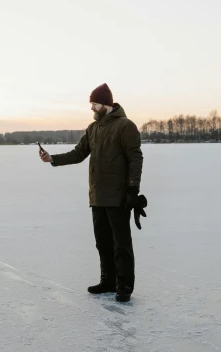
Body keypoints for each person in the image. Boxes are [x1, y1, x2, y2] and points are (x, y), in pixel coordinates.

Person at [39, 83, 144, 302]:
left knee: (121, 244)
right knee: (103, 243)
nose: (92, 109)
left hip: (118, 196)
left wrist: (133, 188)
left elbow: (135, 158)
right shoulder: (92, 128)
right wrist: (53, 159)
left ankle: (124, 286)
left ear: (106, 104)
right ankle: (107, 281)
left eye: (94, 104)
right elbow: (79, 153)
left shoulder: (125, 126)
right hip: (97, 196)